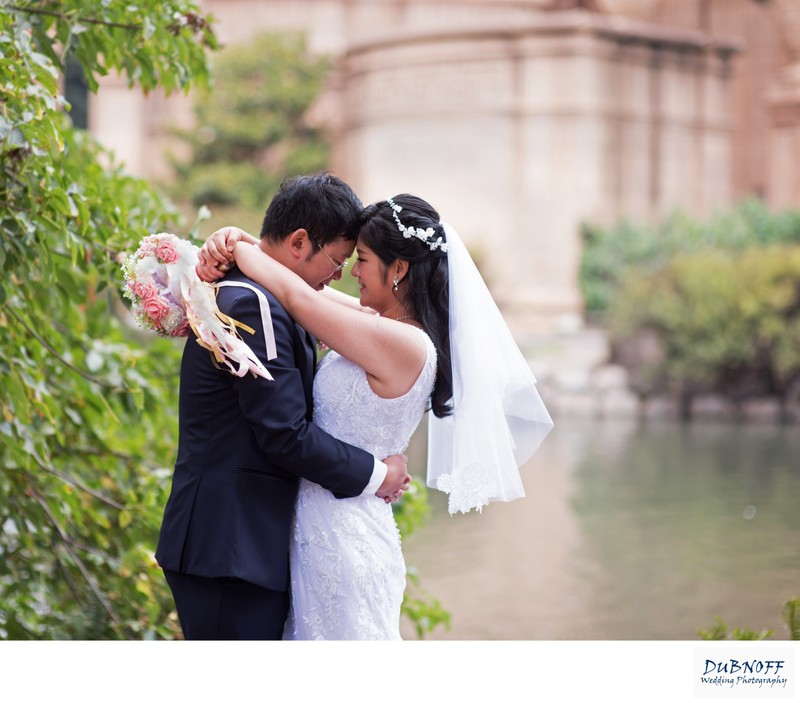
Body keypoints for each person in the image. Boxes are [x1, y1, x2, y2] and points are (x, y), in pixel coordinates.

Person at [198, 192, 554, 639]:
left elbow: (294, 294)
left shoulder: (404, 345)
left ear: (399, 268)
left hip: (342, 536)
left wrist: (237, 247)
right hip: (318, 524)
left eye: (362, 259)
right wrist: (238, 239)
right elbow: (304, 288)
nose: (351, 271)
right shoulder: (384, 326)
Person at [154, 173, 411, 641]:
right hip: (229, 549)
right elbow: (285, 433)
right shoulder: (251, 305)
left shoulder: (260, 294)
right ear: (298, 242)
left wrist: (240, 242)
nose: (338, 276)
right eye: (336, 261)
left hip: (239, 547)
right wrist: (378, 475)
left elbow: (331, 305)